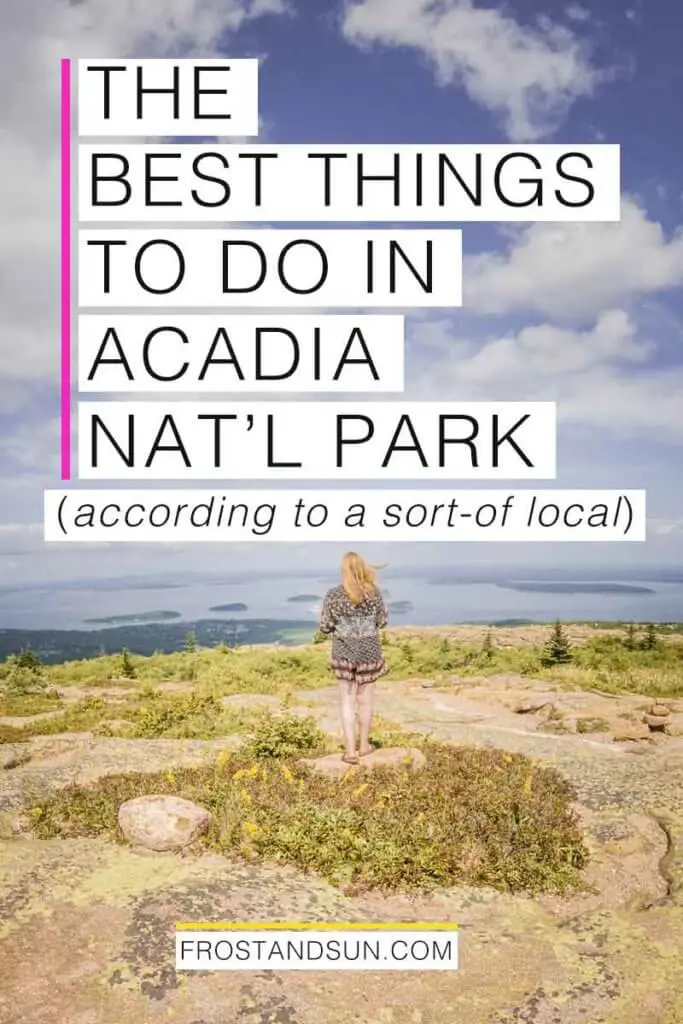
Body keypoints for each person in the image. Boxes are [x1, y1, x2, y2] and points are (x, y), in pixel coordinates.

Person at [318, 551, 388, 764]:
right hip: (369, 652)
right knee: (365, 702)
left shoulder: (333, 595)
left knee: (346, 702)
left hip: (344, 653)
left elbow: (325, 626)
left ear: (344, 570)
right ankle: (364, 745)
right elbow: (382, 621)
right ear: (363, 568)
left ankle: (350, 751)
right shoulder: (374, 594)